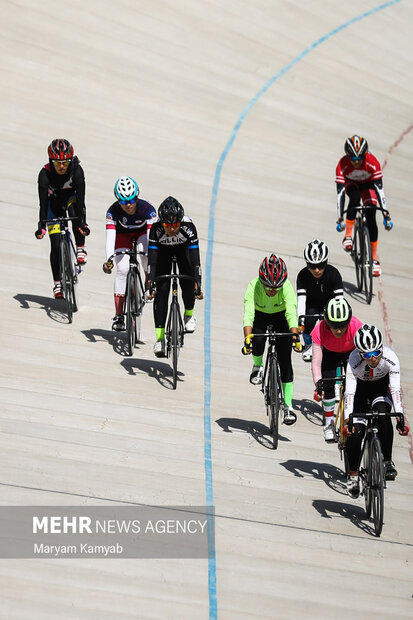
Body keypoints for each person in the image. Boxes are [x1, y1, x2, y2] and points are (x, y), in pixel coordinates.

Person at [343, 324, 409, 498]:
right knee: (356, 433)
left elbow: (395, 390)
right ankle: (353, 474)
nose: (373, 358)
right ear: (360, 353)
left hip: (380, 391)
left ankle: (387, 461)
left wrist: (400, 417)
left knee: (384, 418)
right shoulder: (353, 360)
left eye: (376, 353)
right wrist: (347, 420)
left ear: (381, 348)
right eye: (367, 355)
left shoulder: (390, 357)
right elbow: (349, 392)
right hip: (359, 393)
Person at [242, 254, 301, 425]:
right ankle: (258, 365)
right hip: (260, 316)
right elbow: (248, 314)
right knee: (257, 341)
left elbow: (291, 311)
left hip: (281, 317)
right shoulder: (253, 286)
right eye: (269, 288)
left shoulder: (287, 287)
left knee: (285, 361)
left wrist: (295, 336)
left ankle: (288, 406)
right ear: (262, 281)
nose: (273, 291)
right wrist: (247, 338)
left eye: (277, 288)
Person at [146, 196, 203, 358]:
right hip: (163, 253)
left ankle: (189, 315)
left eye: (176, 225)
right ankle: (159, 339)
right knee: (162, 290)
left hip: (182, 251)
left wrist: (198, 284)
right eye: (167, 225)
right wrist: (150, 283)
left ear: (181, 221)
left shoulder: (189, 227)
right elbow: (152, 260)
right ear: (161, 222)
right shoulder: (155, 229)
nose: (171, 229)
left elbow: (196, 261)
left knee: (188, 281)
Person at [35, 139, 90, 298]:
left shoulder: (77, 171)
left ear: (70, 161)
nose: (61, 166)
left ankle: (80, 248)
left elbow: (81, 201)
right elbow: (43, 204)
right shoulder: (44, 175)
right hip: (53, 204)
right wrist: (42, 226)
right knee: (55, 243)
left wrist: (83, 224)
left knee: (75, 211)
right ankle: (57, 284)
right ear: (50, 161)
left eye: (65, 163)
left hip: (71, 199)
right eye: (57, 163)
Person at [103, 176, 156, 331]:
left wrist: (152, 261)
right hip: (123, 235)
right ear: (118, 200)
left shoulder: (148, 209)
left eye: (132, 200)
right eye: (124, 202)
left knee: (146, 254)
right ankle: (119, 315)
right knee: (122, 270)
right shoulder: (112, 212)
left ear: (137, 196)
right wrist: (109, 260)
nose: (129, 205)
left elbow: (153, 238)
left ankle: (149, 282)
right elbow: (110, 238)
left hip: (142, 233)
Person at [335, 135, 393, 277]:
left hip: (368, 185)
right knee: (354, 198)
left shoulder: (372, 162)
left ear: (365, 155)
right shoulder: (342, 165)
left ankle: (374, 259)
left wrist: (386, 214)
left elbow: (379, 189)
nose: (356, 162)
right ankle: (348, 235)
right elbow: (341, 193)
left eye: (359, 158)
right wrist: (340, 217)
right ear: (347, 156)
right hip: (351, 184)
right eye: (352, 159)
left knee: (371, 214)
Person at [311, 297, 363, 442]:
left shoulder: (357, 326)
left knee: (356, 384)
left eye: (342, 326)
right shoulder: (320, 329)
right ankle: (329, 424)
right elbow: (316, 362)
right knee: (327, 384)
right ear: (327, 323)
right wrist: (318, 383)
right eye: (334, 326)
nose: (339, 330)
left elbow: (363, 355)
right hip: (329, 354)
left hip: (351, 354)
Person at [297, 239, 343, 362]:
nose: (317, 270)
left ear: (326, 263)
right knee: (309, 320)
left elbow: (340, 300)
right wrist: (300, 320)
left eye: (320, 266)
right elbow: (301, 300)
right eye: (312, 266)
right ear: (307, 264)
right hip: (312, 303)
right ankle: (308, 345)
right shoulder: (302, 275)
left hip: (330, 303)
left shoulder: (334, 274)